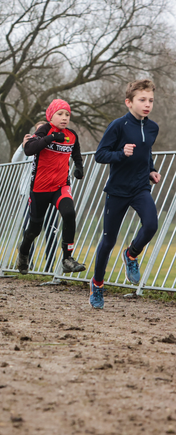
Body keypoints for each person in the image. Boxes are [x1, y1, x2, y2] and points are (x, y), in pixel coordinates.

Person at [89, 79, 160, 309]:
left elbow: (146, 153)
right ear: (129, 102)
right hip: (118, 190)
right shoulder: (118, 126)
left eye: (150, 100)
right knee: (108, 241)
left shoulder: (153, 128)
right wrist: (121, 153)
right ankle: (97, 285)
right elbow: (100, 155)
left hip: (140, 188)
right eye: (142, 100)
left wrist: (151, 170)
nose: (147, 104)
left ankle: (131, 254)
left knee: (151, 225)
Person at [16, 99, 86, 275]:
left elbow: (76, 154)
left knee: (69, 214)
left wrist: (79, 168)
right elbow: (29, 149)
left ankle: (67, 258)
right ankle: (23, 252)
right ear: (50, 116)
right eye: (60, 114)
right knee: (35, 229)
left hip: (60, 186)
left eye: (67, 114)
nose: (64, 118)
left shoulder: (71, 135)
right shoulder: (44, 130)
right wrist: (51, 138)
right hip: (40, 188)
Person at [12, 121, 59, 272]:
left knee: (51, 231)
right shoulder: (30, 147)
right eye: (39, 130)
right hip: (29, 195)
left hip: (50, 195)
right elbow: (15, 161)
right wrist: (23, 145)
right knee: (29, 229)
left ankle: (49, 266)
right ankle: (27, 262)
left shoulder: (54, 146)